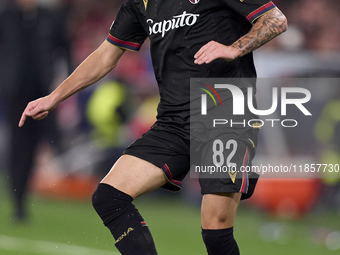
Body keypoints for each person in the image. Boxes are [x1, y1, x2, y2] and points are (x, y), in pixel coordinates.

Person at [19, 0, 287, 254]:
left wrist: (235, 48)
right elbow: (106, 55)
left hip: (224, 114)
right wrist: (53, 97)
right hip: (173, 121)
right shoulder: (140, 3)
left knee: (215, 229)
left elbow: (275, 19)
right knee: (109, 196)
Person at [0, 0, 72, 221]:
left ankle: (51, 185)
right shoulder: (6, 16)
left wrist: (66, 80)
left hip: (44, 93)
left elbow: (65, 49)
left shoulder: (50, 17)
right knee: (18, 146)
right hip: (15, 93)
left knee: (41, 144)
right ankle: (19, 201)